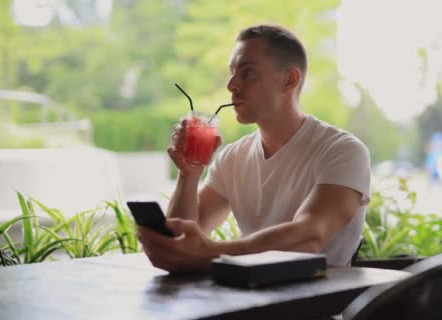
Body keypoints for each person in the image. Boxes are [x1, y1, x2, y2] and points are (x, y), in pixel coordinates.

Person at [138, 24, 371, 273]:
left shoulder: (343, 151)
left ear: (290, 79)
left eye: (247, 73)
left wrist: (211, 253)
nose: (231, 85)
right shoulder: (233, 158)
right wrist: (189, 174)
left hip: (316, 305)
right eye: (232, 72)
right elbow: (181, 239)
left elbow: (309, 237)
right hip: (245, 299)